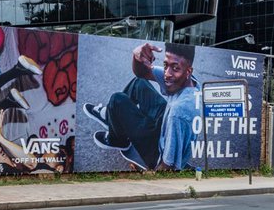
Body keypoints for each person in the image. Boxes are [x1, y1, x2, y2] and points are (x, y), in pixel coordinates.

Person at [83, 41, 199, 171]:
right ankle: (111, 116)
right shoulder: (191, 82)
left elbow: (167, 164)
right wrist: (137, 57)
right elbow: (142, 73)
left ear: (188, 71)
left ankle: (118, 140)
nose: (167, 74)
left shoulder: (178, 112)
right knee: (140, 83)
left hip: (157, 151)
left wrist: (152, 176)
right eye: (166, 65)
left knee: (117, 100)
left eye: (175, 68)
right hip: (165, 123)